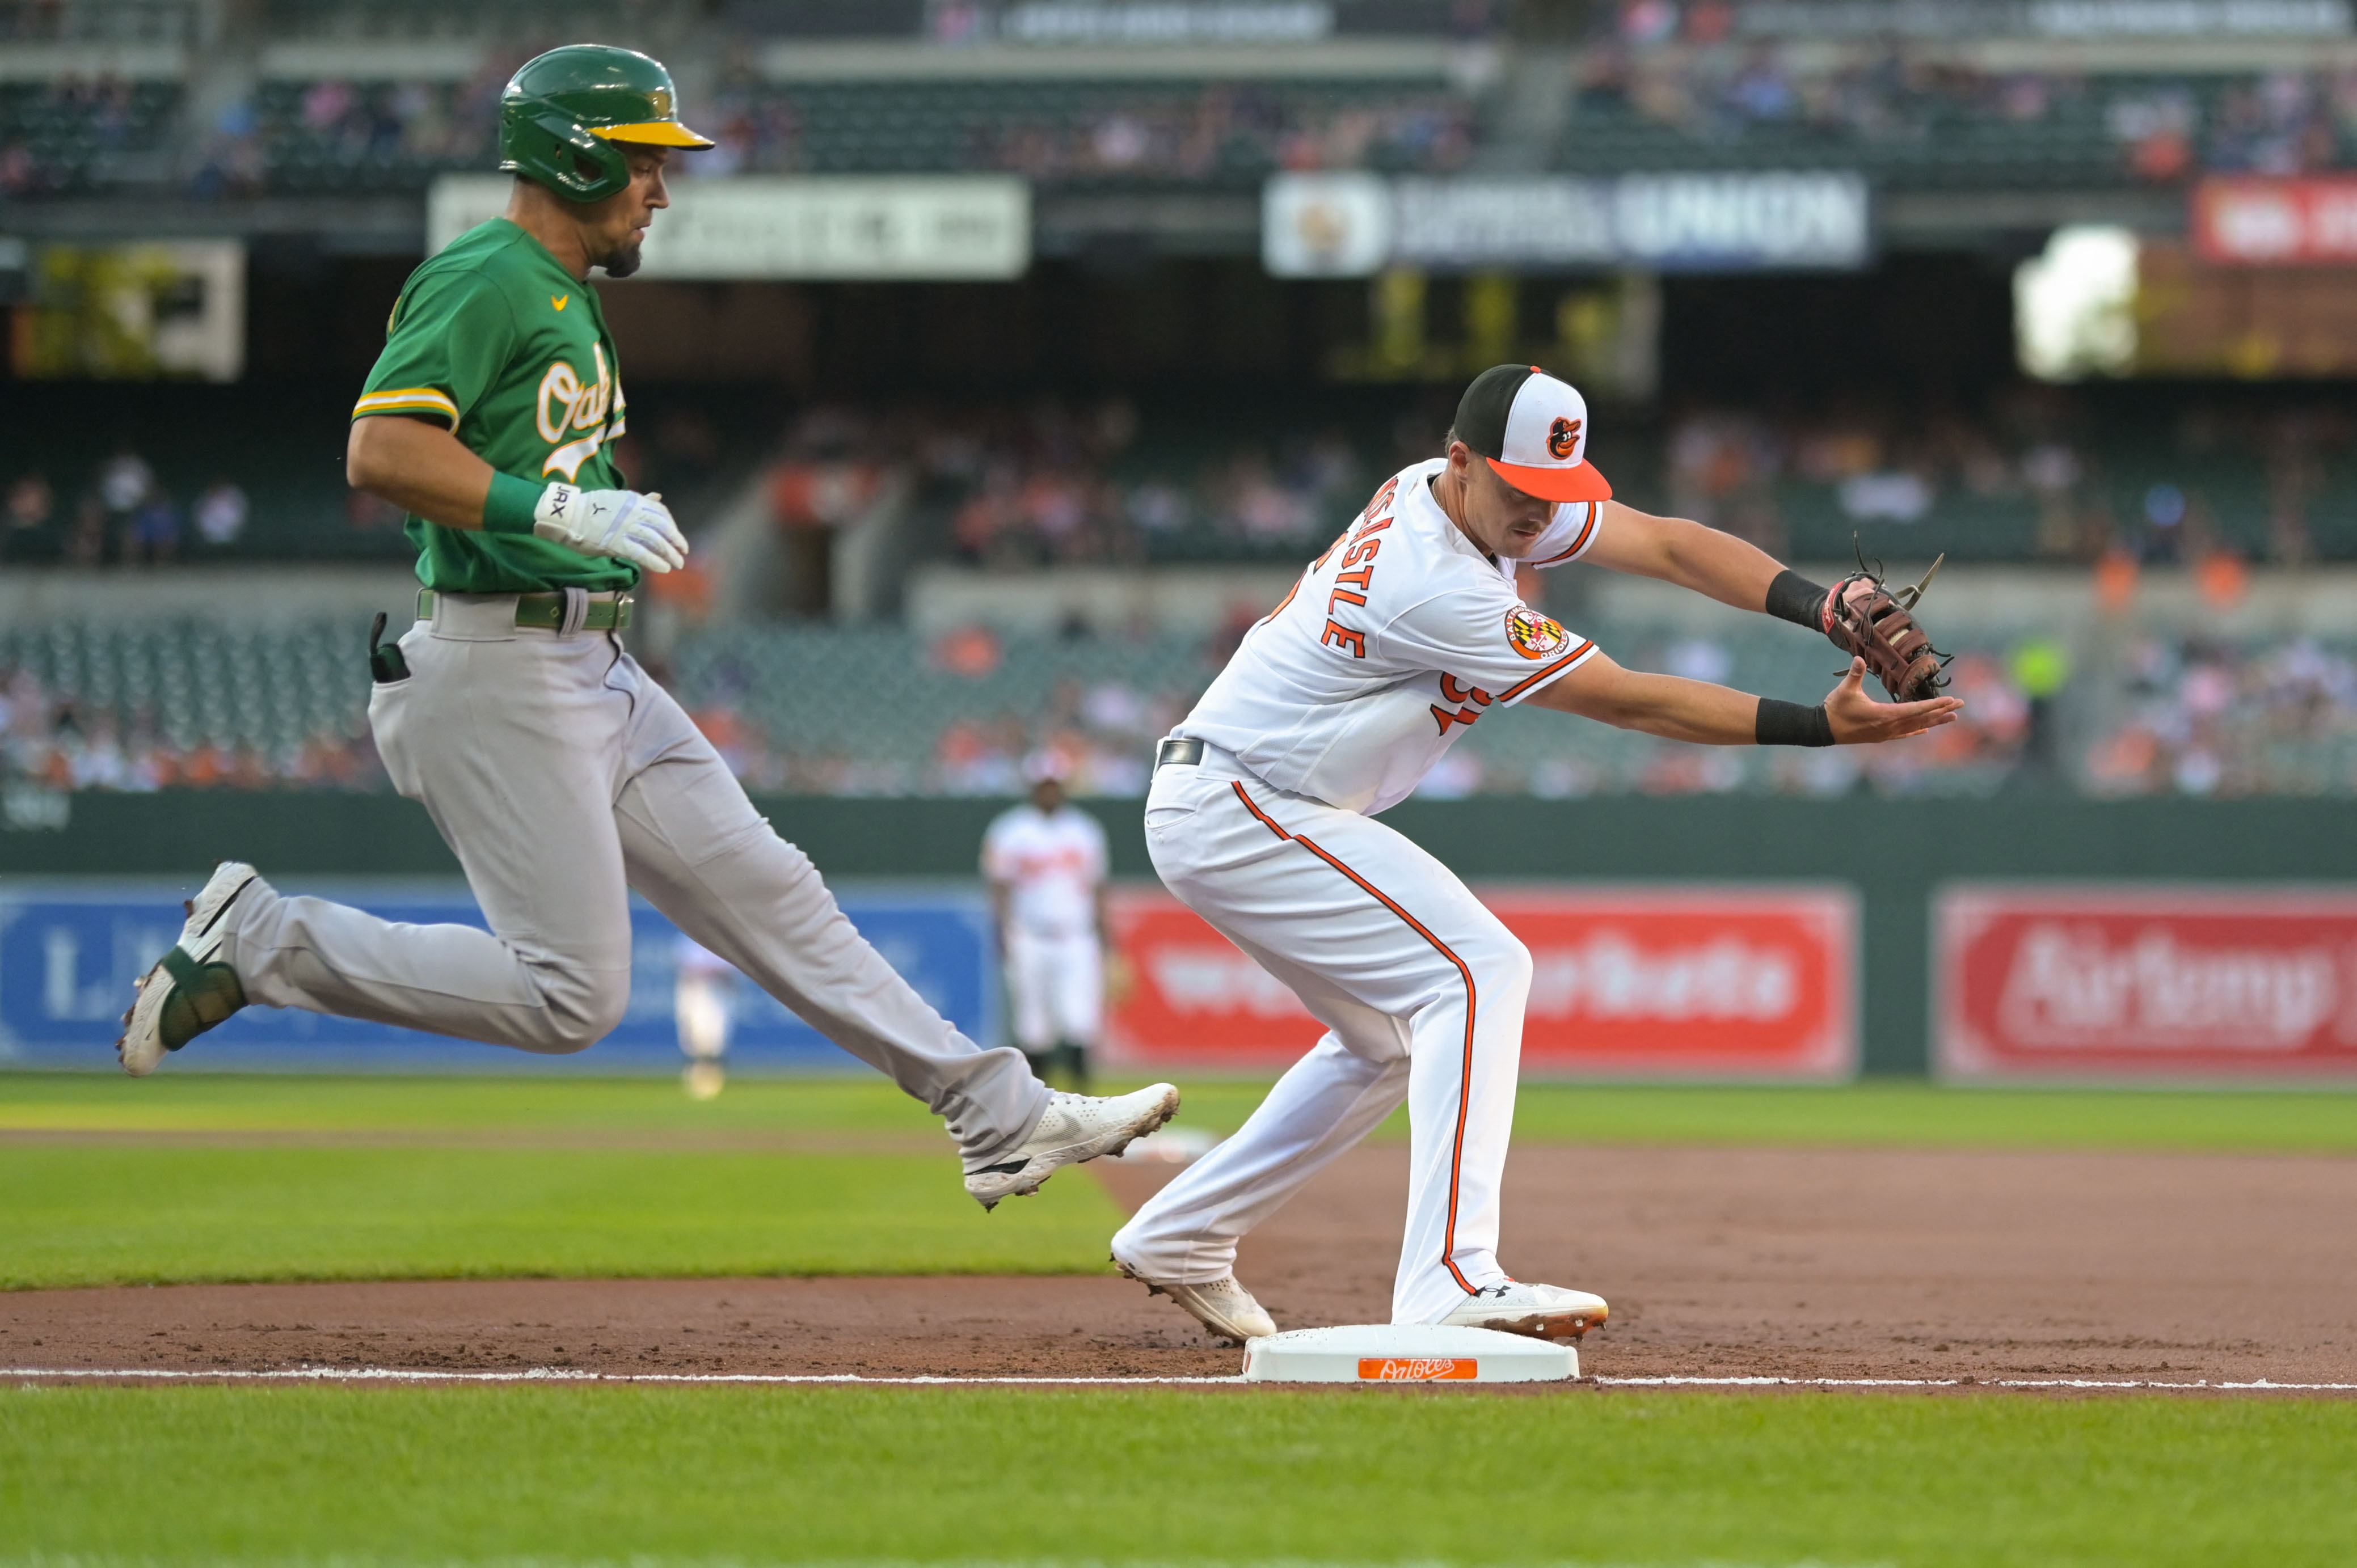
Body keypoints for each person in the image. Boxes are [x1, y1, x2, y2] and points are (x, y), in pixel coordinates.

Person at [115, 43, 1178, 1211]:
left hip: (587, 658)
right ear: (575, 155)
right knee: (574, 996)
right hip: (496, 657)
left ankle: (998, 1114)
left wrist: (587, 515)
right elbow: (382, 448)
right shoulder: (486, 275)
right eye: (642, 162)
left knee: (778, 891)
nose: (661, 190)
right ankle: (263, 940)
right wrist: (559, 505)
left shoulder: (562, 293)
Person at [1113, 364, 1961, 1343]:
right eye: (1524, 496)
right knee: (1477, 971)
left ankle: (1183, 1232)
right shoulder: (1430, 581)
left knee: (1391, 1041)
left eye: (1556, 496)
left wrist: (1817, 604)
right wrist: (1821, 728)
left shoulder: (1471, 499)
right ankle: (1450, 1280)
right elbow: (1627, 698)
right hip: (1241, 801)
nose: (1539, 520)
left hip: (1261, 800)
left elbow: (1673, 545)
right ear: (1463, 462)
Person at [982, 759, 1110, 1090]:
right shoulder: (1011, 829)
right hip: (1029, 934)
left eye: (1054, 785)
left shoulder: (1084, 829)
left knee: (1080, 1020)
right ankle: (1038, 1103)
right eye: (1044, 785)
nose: (1049, 791)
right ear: (1033, 788)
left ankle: (1086, 1102)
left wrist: (1108, 940)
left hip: (1076, 935)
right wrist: (1002, 931)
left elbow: (1098, 887)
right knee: (1032, 1024)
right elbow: (1000, 886)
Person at [674, 935, 737, 1100]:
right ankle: (695, 1078)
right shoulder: (689, 942)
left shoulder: (723, 944)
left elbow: (730, 973)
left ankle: (714, 1079)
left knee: (715, 1040)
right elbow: (683, 968)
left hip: (717, 996)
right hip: (695, 995)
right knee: (695, 1039)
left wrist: (711, 973)